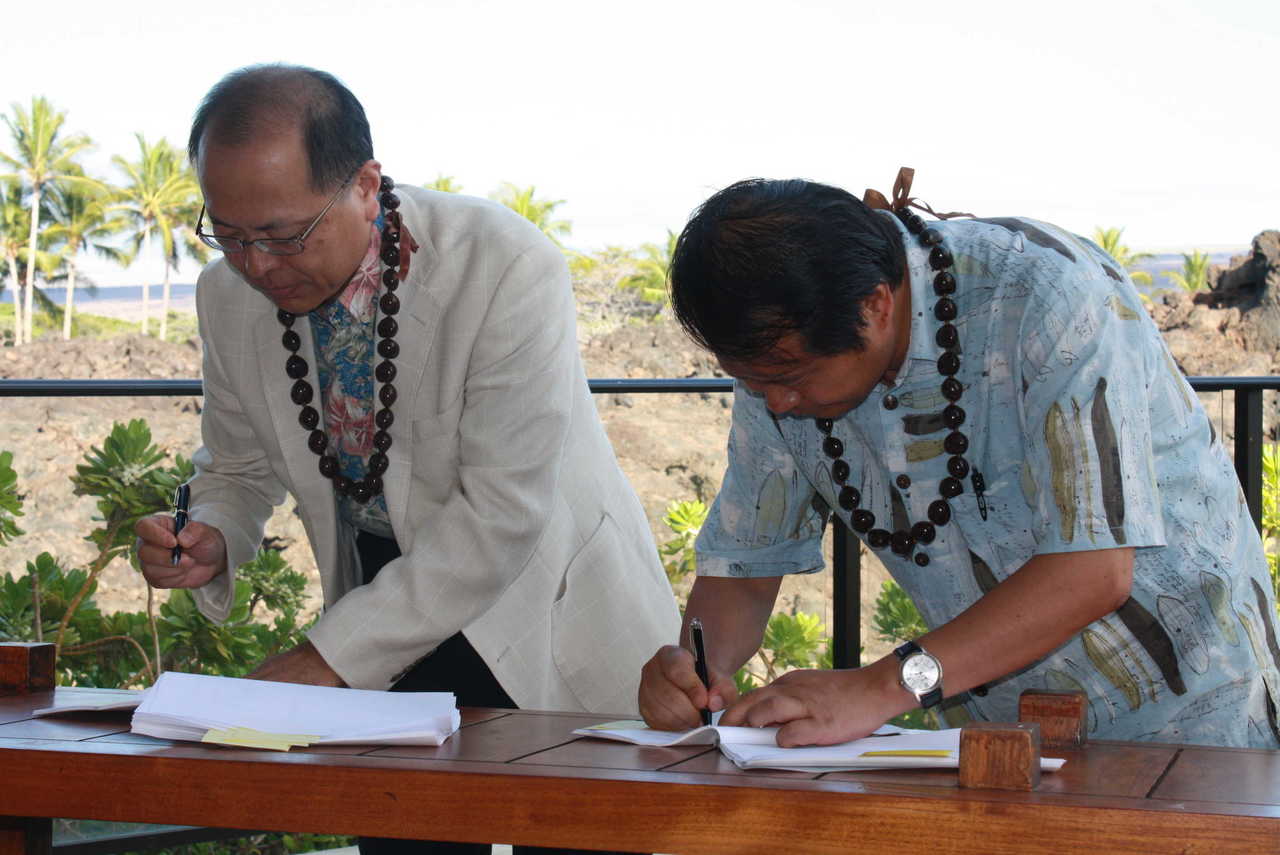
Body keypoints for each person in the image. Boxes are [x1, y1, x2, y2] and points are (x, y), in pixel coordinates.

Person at [134, 64, 678, 855]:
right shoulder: (228, 295)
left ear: (363, 184)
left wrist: (324, 660)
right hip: (386, 618)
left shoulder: (504, 264)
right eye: (228, 233)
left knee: (574, 838)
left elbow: (501, 515)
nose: (256, 264)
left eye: (284, 235)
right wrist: (212, 530)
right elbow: (238, 464)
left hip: (546, 602)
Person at [638, 172, 1280, 750]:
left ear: (876, 306)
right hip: (999, 736)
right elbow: (747, 569)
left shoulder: (1048, 294)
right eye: (751, 381)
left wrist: (876, 688)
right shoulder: (776, 364)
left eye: (790, 377)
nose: (776, 402)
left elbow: (1093, 568)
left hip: (1199, 717)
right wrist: (694, 674)